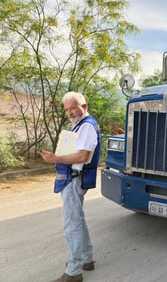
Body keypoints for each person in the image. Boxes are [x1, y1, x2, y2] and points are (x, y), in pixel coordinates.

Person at [40, 92, 101, 282]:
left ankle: (74, 272)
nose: (70, 112)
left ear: (84, 107)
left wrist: (55, 158)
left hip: (74, 180)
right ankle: (86, 259)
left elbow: (83, 156)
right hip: (73, 179)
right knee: (78, 221)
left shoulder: (87, 126)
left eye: (73, 107)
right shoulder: (81, 125)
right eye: (67, 109)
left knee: (71, 226)